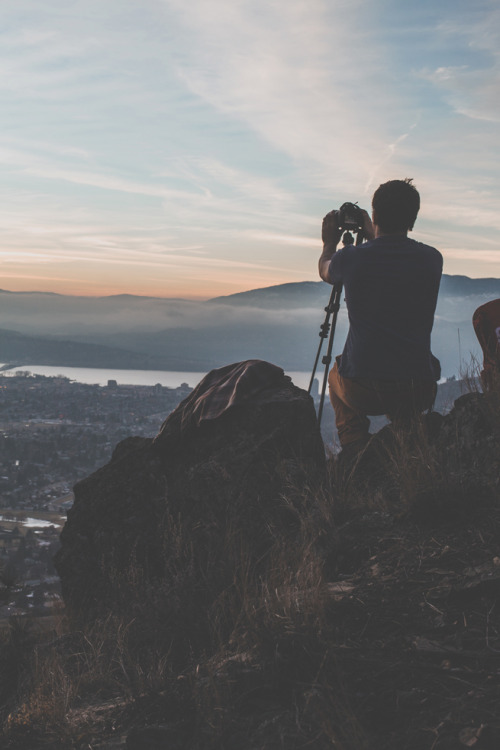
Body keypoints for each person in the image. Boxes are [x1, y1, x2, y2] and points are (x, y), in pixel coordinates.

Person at [318, 178, 443, 454]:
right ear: (413, 220)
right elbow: (392, 254)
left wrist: (329, 243)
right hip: (418, 388)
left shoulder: (351, 259)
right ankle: (406, 436)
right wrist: (373, 230)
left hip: (364, 390)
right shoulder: (432, 259)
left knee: (335, 375)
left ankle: (354, 448)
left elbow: (326, 270)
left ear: (374, 216)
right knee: (403, 394)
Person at [472, 298, 500, 390]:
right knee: (494, 360)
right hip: (488, 317)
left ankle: (492, 392)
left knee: (492, 359)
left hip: (484, 316)